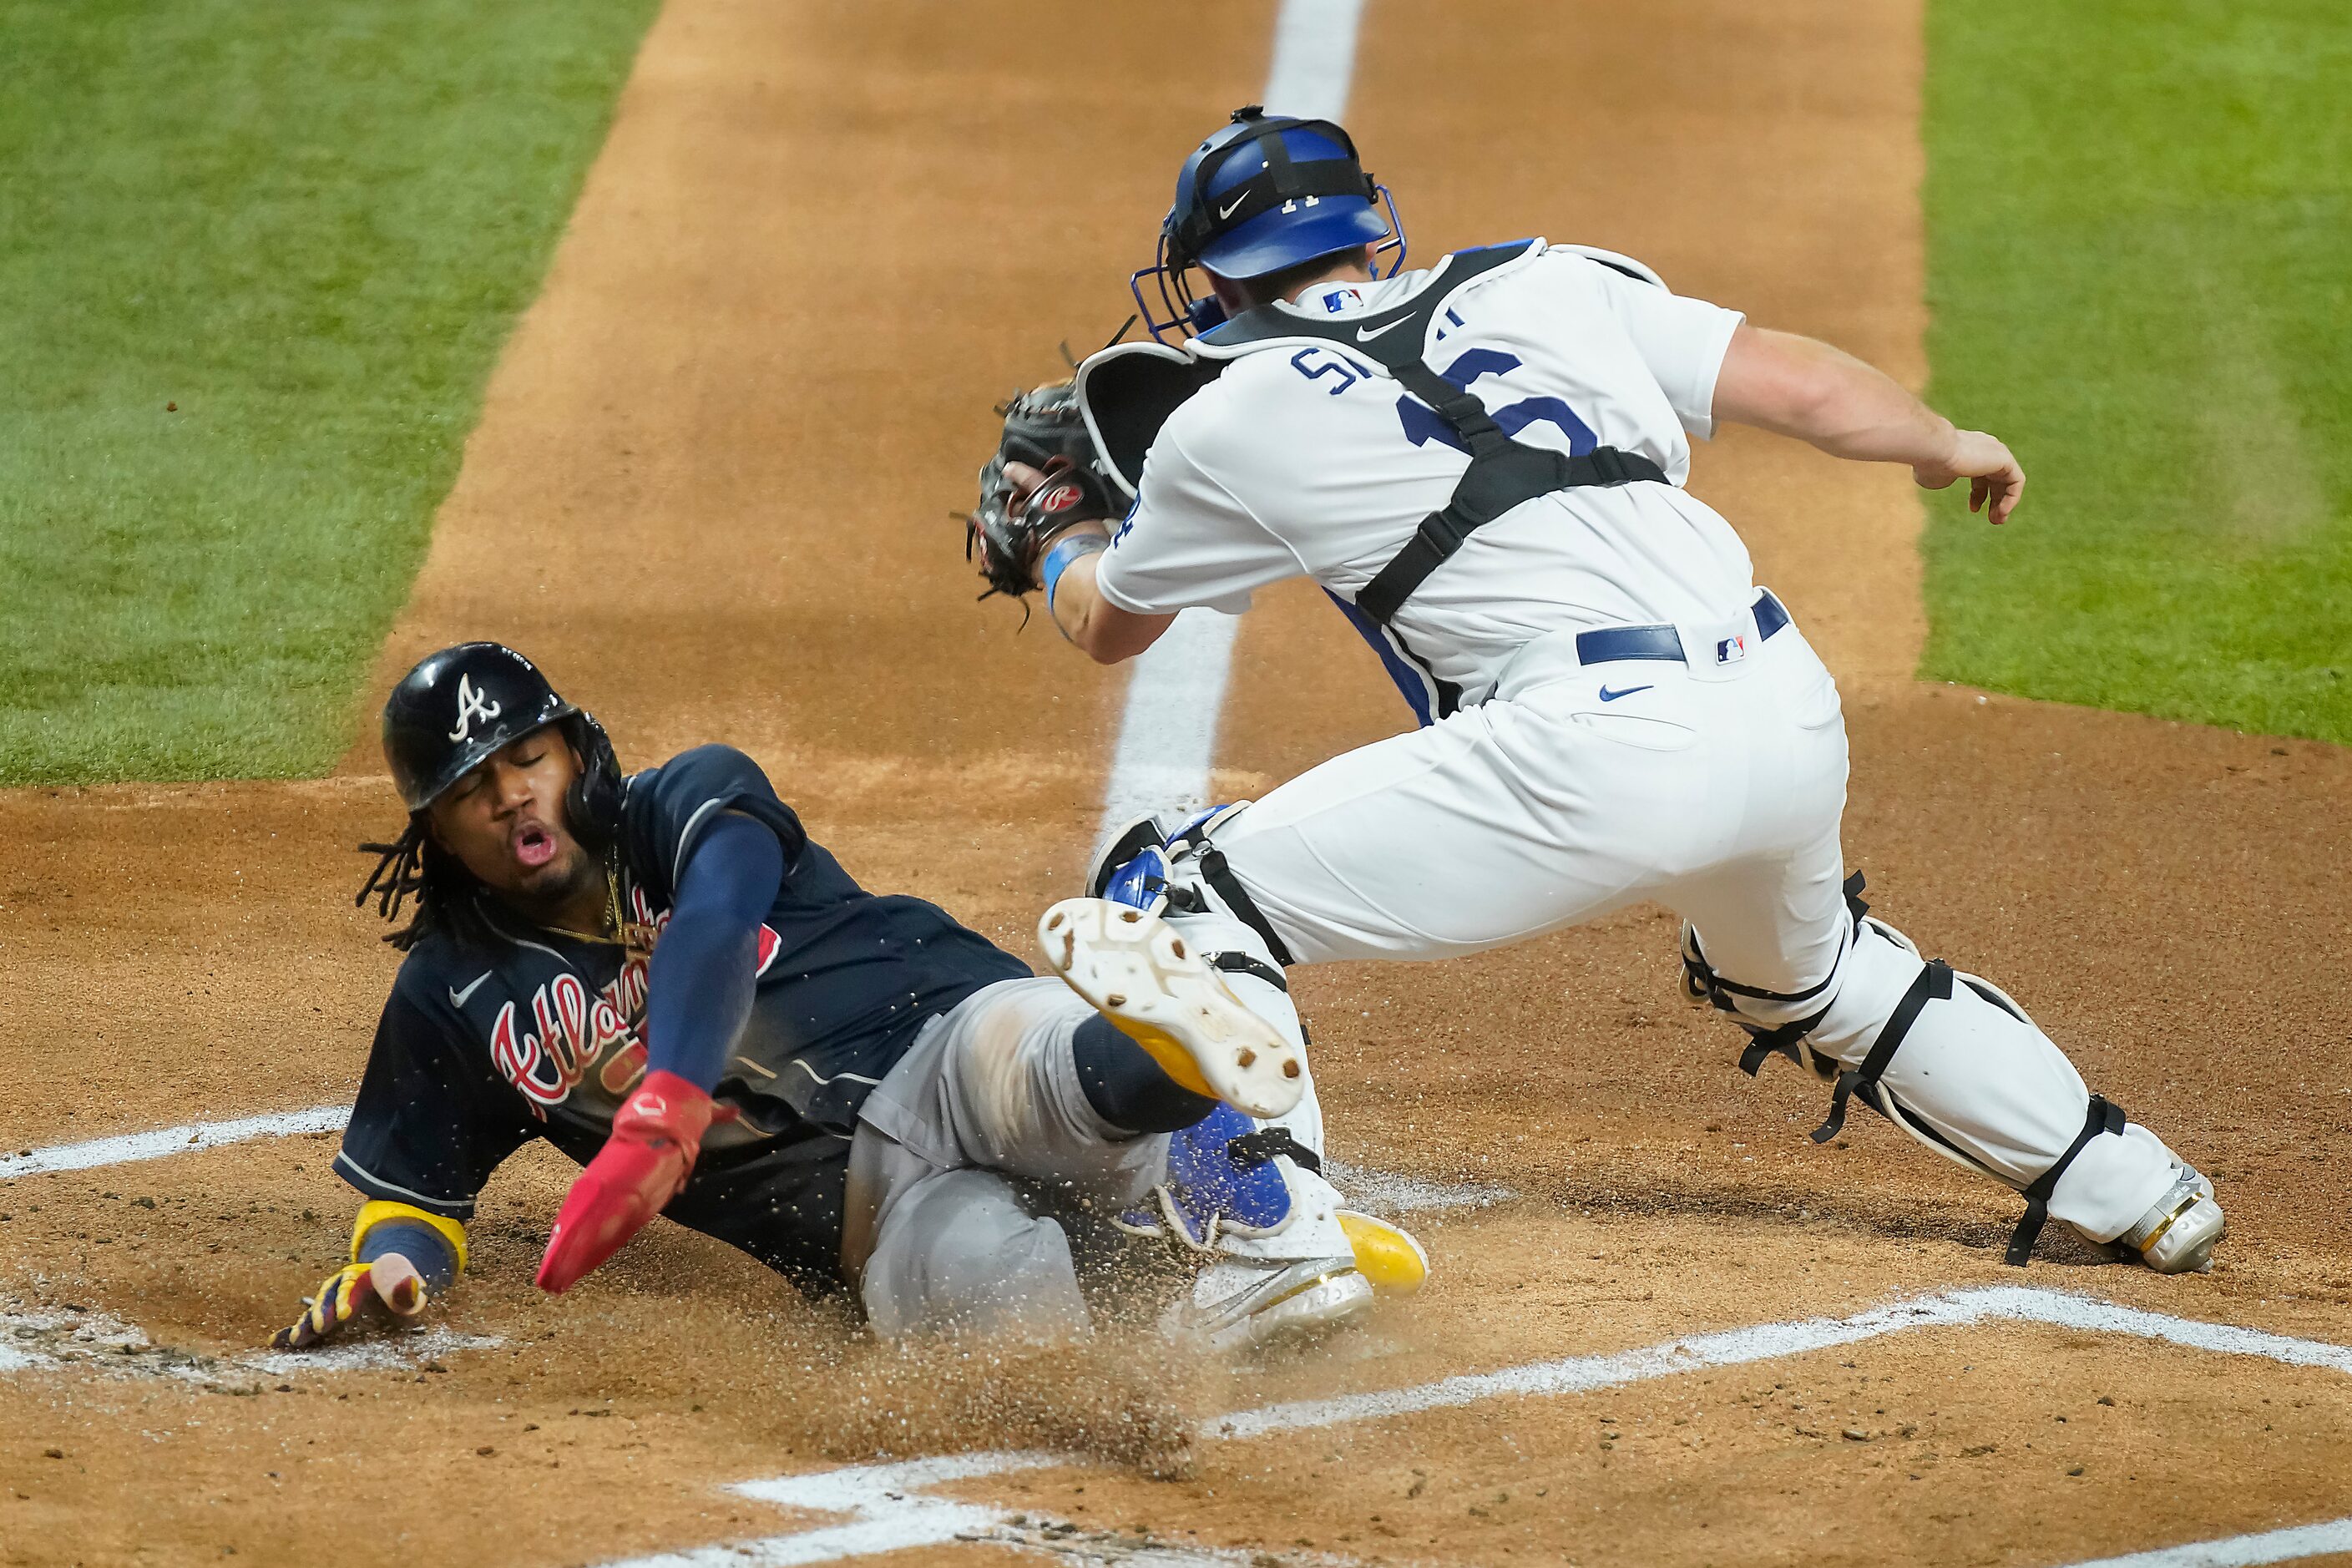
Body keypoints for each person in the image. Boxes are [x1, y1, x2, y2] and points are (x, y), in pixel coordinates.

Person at [979, 106, 2224, 1273]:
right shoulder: (1548, 276)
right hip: (1782, 700)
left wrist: (1053, 535)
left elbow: (1107, 626)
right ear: (1371, 226)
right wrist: (1945, 443)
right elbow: (1803, 387)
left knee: (1178, 885)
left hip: (1590, 750)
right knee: (1809, 973)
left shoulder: (1222, 415)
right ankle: (2132, 1182)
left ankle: (1269, 1250)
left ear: (1215, 280)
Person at [272, 641, 1425, 1353]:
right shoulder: (450, 993)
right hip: (872, 1215)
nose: (514, 798)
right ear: (434, 827)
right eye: (475, 789)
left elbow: (717, 919)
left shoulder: (688, 801)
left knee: (1059, 1073)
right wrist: (397, 1266)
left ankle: (1190, 1069)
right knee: (1006, 1331)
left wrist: (666, 1096)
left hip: (943, 1037)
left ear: (579, 751)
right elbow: (419, 1187)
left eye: (529, 758)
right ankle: (1230, 1225)